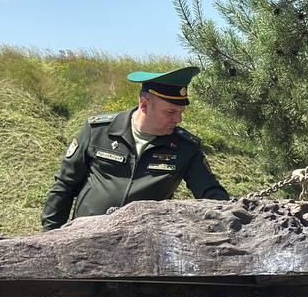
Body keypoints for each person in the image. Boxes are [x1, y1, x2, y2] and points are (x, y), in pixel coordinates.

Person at [41, 66, 229, 230]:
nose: (178, 119)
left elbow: (211, 194)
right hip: (84, 238)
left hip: (143, 248)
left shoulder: (185, 148)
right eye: (170, 112)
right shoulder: (98, 131)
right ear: (144, 104)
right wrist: (50, 235)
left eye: (181, 112)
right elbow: (64, 186)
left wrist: (234, 217)